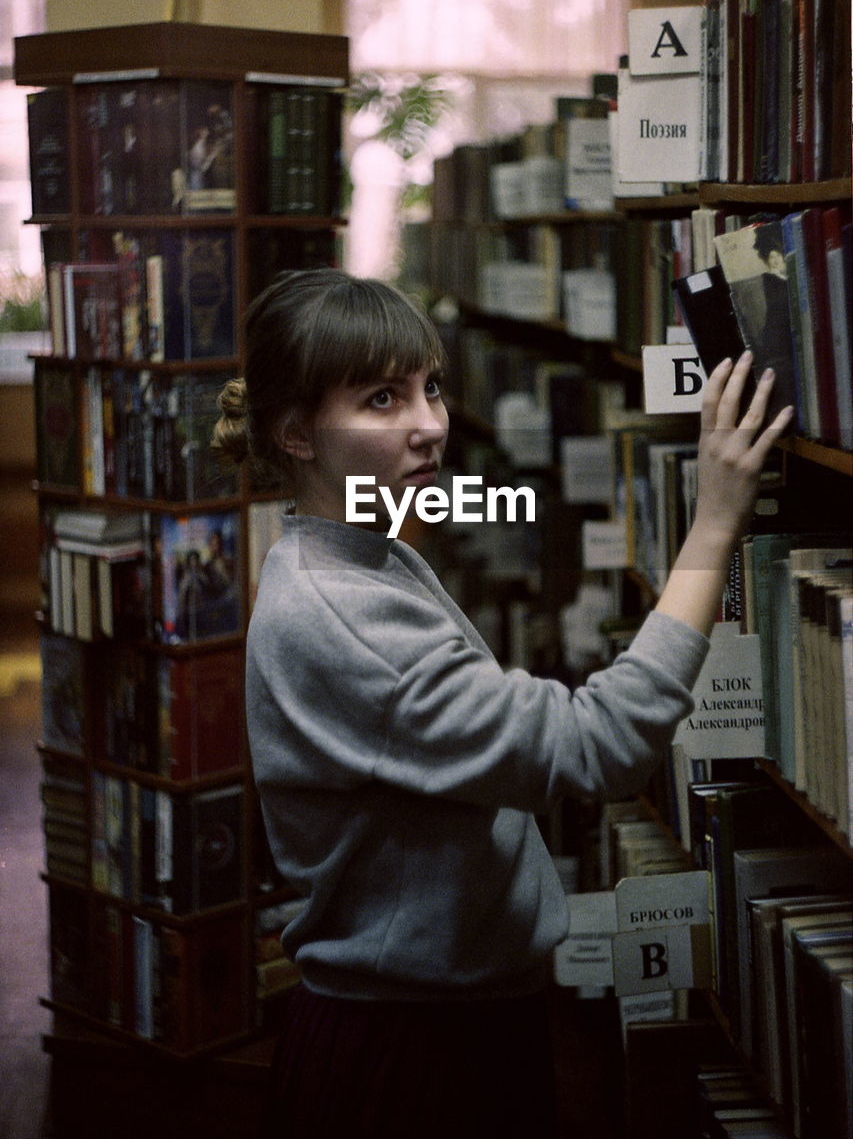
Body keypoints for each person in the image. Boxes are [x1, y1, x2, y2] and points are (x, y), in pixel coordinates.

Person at [211, 268, 793, 1138]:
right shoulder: (345, 610)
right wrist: (712, 522)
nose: (430, 426)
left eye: (430, 387)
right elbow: (598, 747)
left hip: (445, 1013)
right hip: (410, 1052)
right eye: (381, 399)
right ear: (296, 434)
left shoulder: (361, 546)